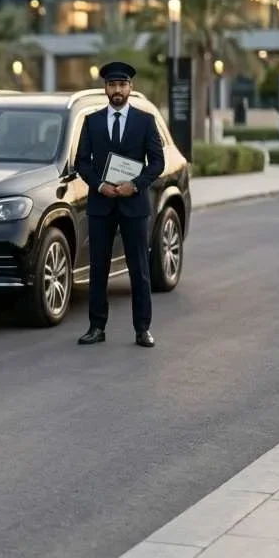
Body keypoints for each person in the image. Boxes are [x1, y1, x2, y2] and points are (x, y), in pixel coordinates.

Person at [75, 61, 165, 348]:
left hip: (134, 204)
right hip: (101, 204)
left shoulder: (145, 120)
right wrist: (100, 185)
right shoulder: (92, 121)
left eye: (122, 85)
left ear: (130, 88)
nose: (117, 90)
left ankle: (142, 329)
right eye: (112, 85)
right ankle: (96, 327)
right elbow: (82, 162)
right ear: (105, 88)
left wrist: (135, 185)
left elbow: (158, 163)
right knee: (98, 268)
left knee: (139, 268)